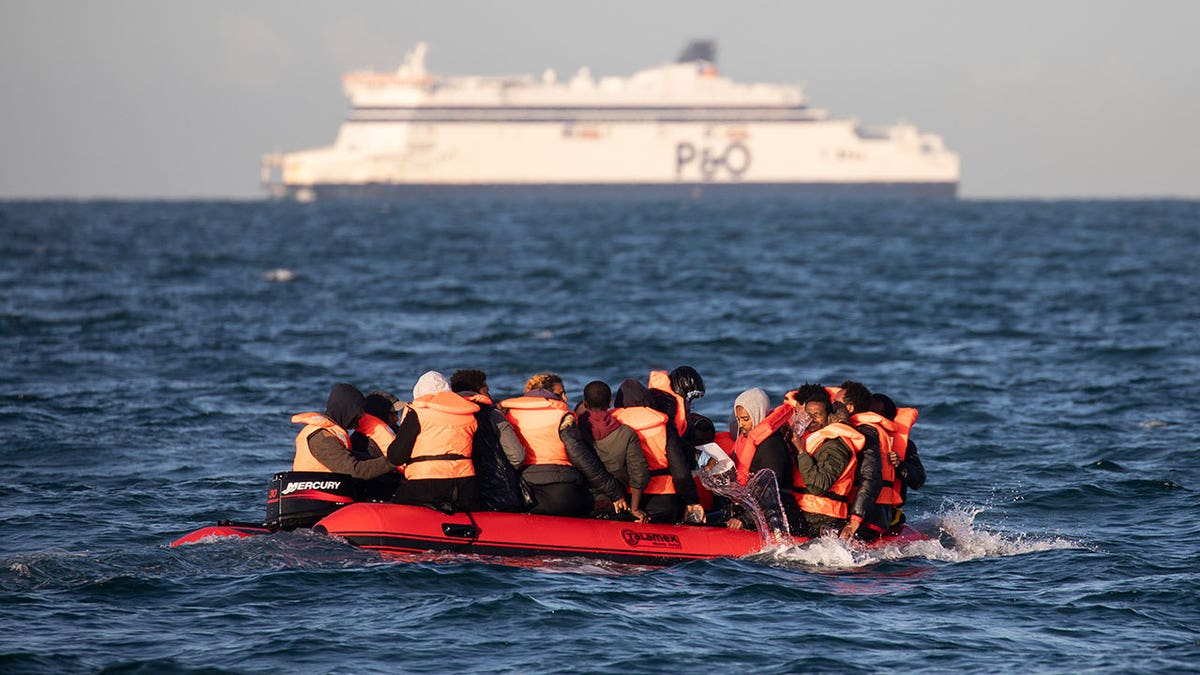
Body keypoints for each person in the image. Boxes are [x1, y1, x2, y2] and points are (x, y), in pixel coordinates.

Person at [501, 374, 629, 518]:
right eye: (561, 393)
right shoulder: (561, 417)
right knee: (603, 504)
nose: (565, 399)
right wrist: (615, 493)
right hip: (563, 494)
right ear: (547, 393)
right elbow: (581, 459)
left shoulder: (508, 414)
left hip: (525, 494)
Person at [612, 379, 705, 524]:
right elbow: (680, 473)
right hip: (664, 500)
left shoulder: (612, 426)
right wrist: (692, 502)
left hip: (626, 499)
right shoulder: (662, 426)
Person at [785, 383, 865, 538]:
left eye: (818, 415)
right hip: (804, 513)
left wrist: (801, 451)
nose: (812, 420)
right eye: (808, 415)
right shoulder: (811, 438)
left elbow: (818, 486)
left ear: (829, 417)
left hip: (823, 520)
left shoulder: (837, 445)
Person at [724, 388, 805, 536]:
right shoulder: (750, 441)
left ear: (758, 414)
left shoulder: (771, 445)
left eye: (745, 419)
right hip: (757, 513)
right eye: (739, 419)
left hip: (779, 519)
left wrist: (744, 519)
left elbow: (770, 491)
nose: (741, 425)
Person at [387, 389, 481, 513]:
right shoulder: (469, 413)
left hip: (425, 487)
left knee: (395, 505)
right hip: (465, 486)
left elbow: (396, 457)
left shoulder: (418, 413)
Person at [449, 369, 525, 512]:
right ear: (477, 392)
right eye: (486, 391)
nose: (489, 395)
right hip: (496, 493)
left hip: (458, 492)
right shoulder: (492, 415)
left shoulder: (444, 415)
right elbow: (517, 456)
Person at [291, 383, 398, 480]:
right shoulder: (322, 437)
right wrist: (395, 459)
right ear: (347, 411)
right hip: (315, 493)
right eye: (359, 411)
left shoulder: (333, 433)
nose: (362, 415)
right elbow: (354, 471)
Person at [577, 380, 650, 522]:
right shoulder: (627, 433)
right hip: (618, 502)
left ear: (585, 404)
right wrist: (635, 508)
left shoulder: (574, 431)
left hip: (583, 499)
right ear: (610, 403)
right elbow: (639, 474)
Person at [835, 381, 888, 541]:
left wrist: (856, 519)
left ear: (849, 408)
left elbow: (871, 476)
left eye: (836, 403)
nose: (832, 407)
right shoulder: (855, 430)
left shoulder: (867, 433)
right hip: (862, 510)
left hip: (870, 517)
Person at [871, 392, 926, 527]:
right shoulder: (853, 439)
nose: (873, 419)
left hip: (886, 515)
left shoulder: (905, 446)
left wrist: (900, 465)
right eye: (869, 413)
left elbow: (918, 480)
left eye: (879, 414)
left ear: (889, 418)